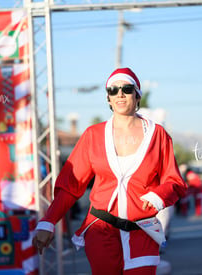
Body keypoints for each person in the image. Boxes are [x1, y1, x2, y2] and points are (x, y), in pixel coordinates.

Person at [32, 67, 187, 274]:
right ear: (108, 98)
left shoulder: (157, 135)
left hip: (143, 232)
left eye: (126, 88)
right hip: (101, 230)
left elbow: (175, 181)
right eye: (113, 90)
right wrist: (48, 222)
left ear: (137, 94)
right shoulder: (92, 135)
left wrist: (159, 195)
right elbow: (70, 186)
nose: (120, 94)